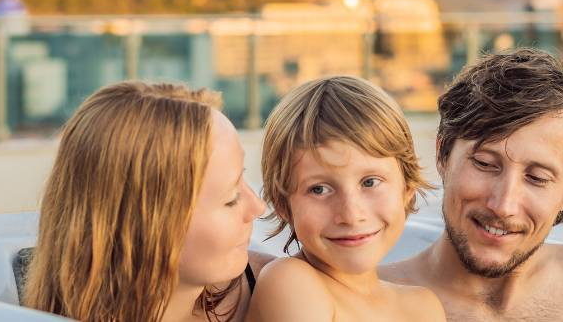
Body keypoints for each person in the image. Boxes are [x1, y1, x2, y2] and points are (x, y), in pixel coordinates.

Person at [379, 49, 563, 321]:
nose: (503, 205)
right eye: (484, 164)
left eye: (537, 178)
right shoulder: (369, 302)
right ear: (443, 155)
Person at [22, 82, 269, 322]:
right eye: (231, 198)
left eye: (243, 178)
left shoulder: (278, 287)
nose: (258, 206)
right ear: (145, 224)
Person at [247, 76, 446, 322]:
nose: (351, 215)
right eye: (319, 189)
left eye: (369, 182)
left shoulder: (423, 306)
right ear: (282, 205)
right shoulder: (290, 281)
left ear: (407, 189)